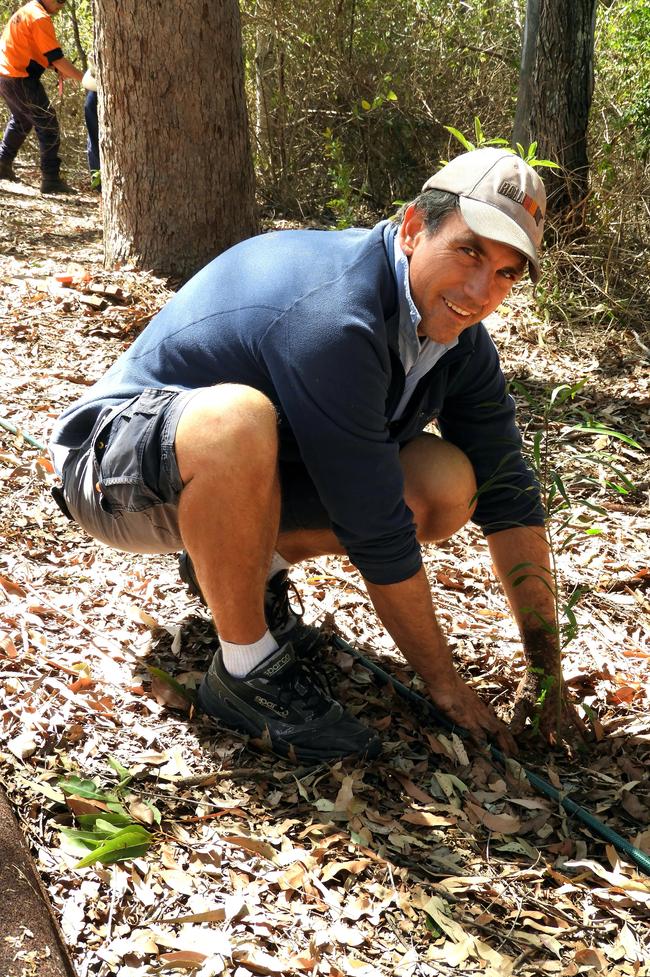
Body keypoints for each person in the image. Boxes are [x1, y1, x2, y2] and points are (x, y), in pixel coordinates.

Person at [49, 147, 584, 762]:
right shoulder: (334, 313)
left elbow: (508, 494)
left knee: (445, 483)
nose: (479, 289)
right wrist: (445, 685)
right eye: (468, 251)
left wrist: (546, 680)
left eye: (506, 273)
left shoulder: (458, 341)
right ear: (413, 228)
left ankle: (242, 572)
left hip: (232, 477)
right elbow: (375, 530)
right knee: (237, 422)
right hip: (112, 471)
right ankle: (247, 671)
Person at [0, 0, 82, 193]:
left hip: (5, 76)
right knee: (48, 124)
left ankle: (3, 164)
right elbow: (56, 57)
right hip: (19, 77)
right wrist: (83, 78)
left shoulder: (28, 11)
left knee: (21, 121)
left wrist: (55, 67)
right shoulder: (39, 16)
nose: (62, 5)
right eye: (59, 0)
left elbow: (36, 51)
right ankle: (51, 178)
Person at [81, 64, 99, 188]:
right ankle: (99, 184)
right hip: (96, 91)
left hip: (96, 91)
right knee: (95, 139)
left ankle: (99, 184)